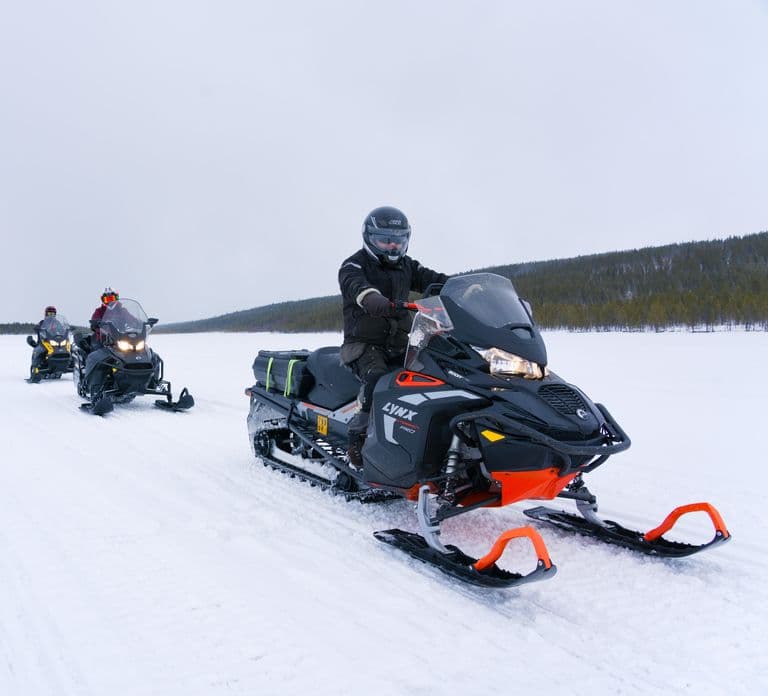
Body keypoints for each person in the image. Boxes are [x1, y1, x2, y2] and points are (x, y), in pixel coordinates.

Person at [338, 206, 449, 467]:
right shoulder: (353, 266)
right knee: (378, 378)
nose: (391, 247)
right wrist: (374, 300)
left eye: (397, 241)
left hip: (402, 343)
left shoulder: (406, 266)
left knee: (437, 371)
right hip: (363, 345)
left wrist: (465, 288)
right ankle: (358, 436)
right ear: (369, 239)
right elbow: (359, 288)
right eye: (384, 240)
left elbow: (432, 280)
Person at [84, 287, 120, 396]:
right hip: (103, 339)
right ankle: (93, 384)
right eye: (107, 299)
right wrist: (95, 323)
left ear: (116, 298)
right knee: (97, 357)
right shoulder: (99, 311)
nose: (110, 301)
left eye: (112, 298)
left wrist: (140, 323)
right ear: (103, 300)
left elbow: (132, 319)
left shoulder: (122, 310)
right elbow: (94, 321)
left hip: (120, 338)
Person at [28, 306, 58, 381]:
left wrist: (67, 329)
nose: (51, 315)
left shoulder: (57, 323)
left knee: (69, 348)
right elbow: (37, 327)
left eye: (53, 314)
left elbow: (62, 329)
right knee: (38, 351)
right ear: (46, 314)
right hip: (43, 342)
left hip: (56, 342)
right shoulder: (42, 322)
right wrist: (38, 328)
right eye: (49, 313)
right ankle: (35, 368)